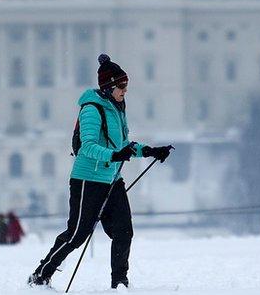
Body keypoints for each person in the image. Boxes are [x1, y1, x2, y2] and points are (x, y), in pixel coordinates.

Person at [28, 54, 174, 290]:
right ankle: (40, 276)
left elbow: (123, 146)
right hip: (87, 180)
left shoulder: (118, 108)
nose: (125, 90)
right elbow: (87, 147)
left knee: (124, 231)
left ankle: (120, 283)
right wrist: (113, 156)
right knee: (77, 235)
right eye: (122, 85)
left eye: (126, 85)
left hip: (112, 179)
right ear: (108, 87)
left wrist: (150, 151)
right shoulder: (92, 109)